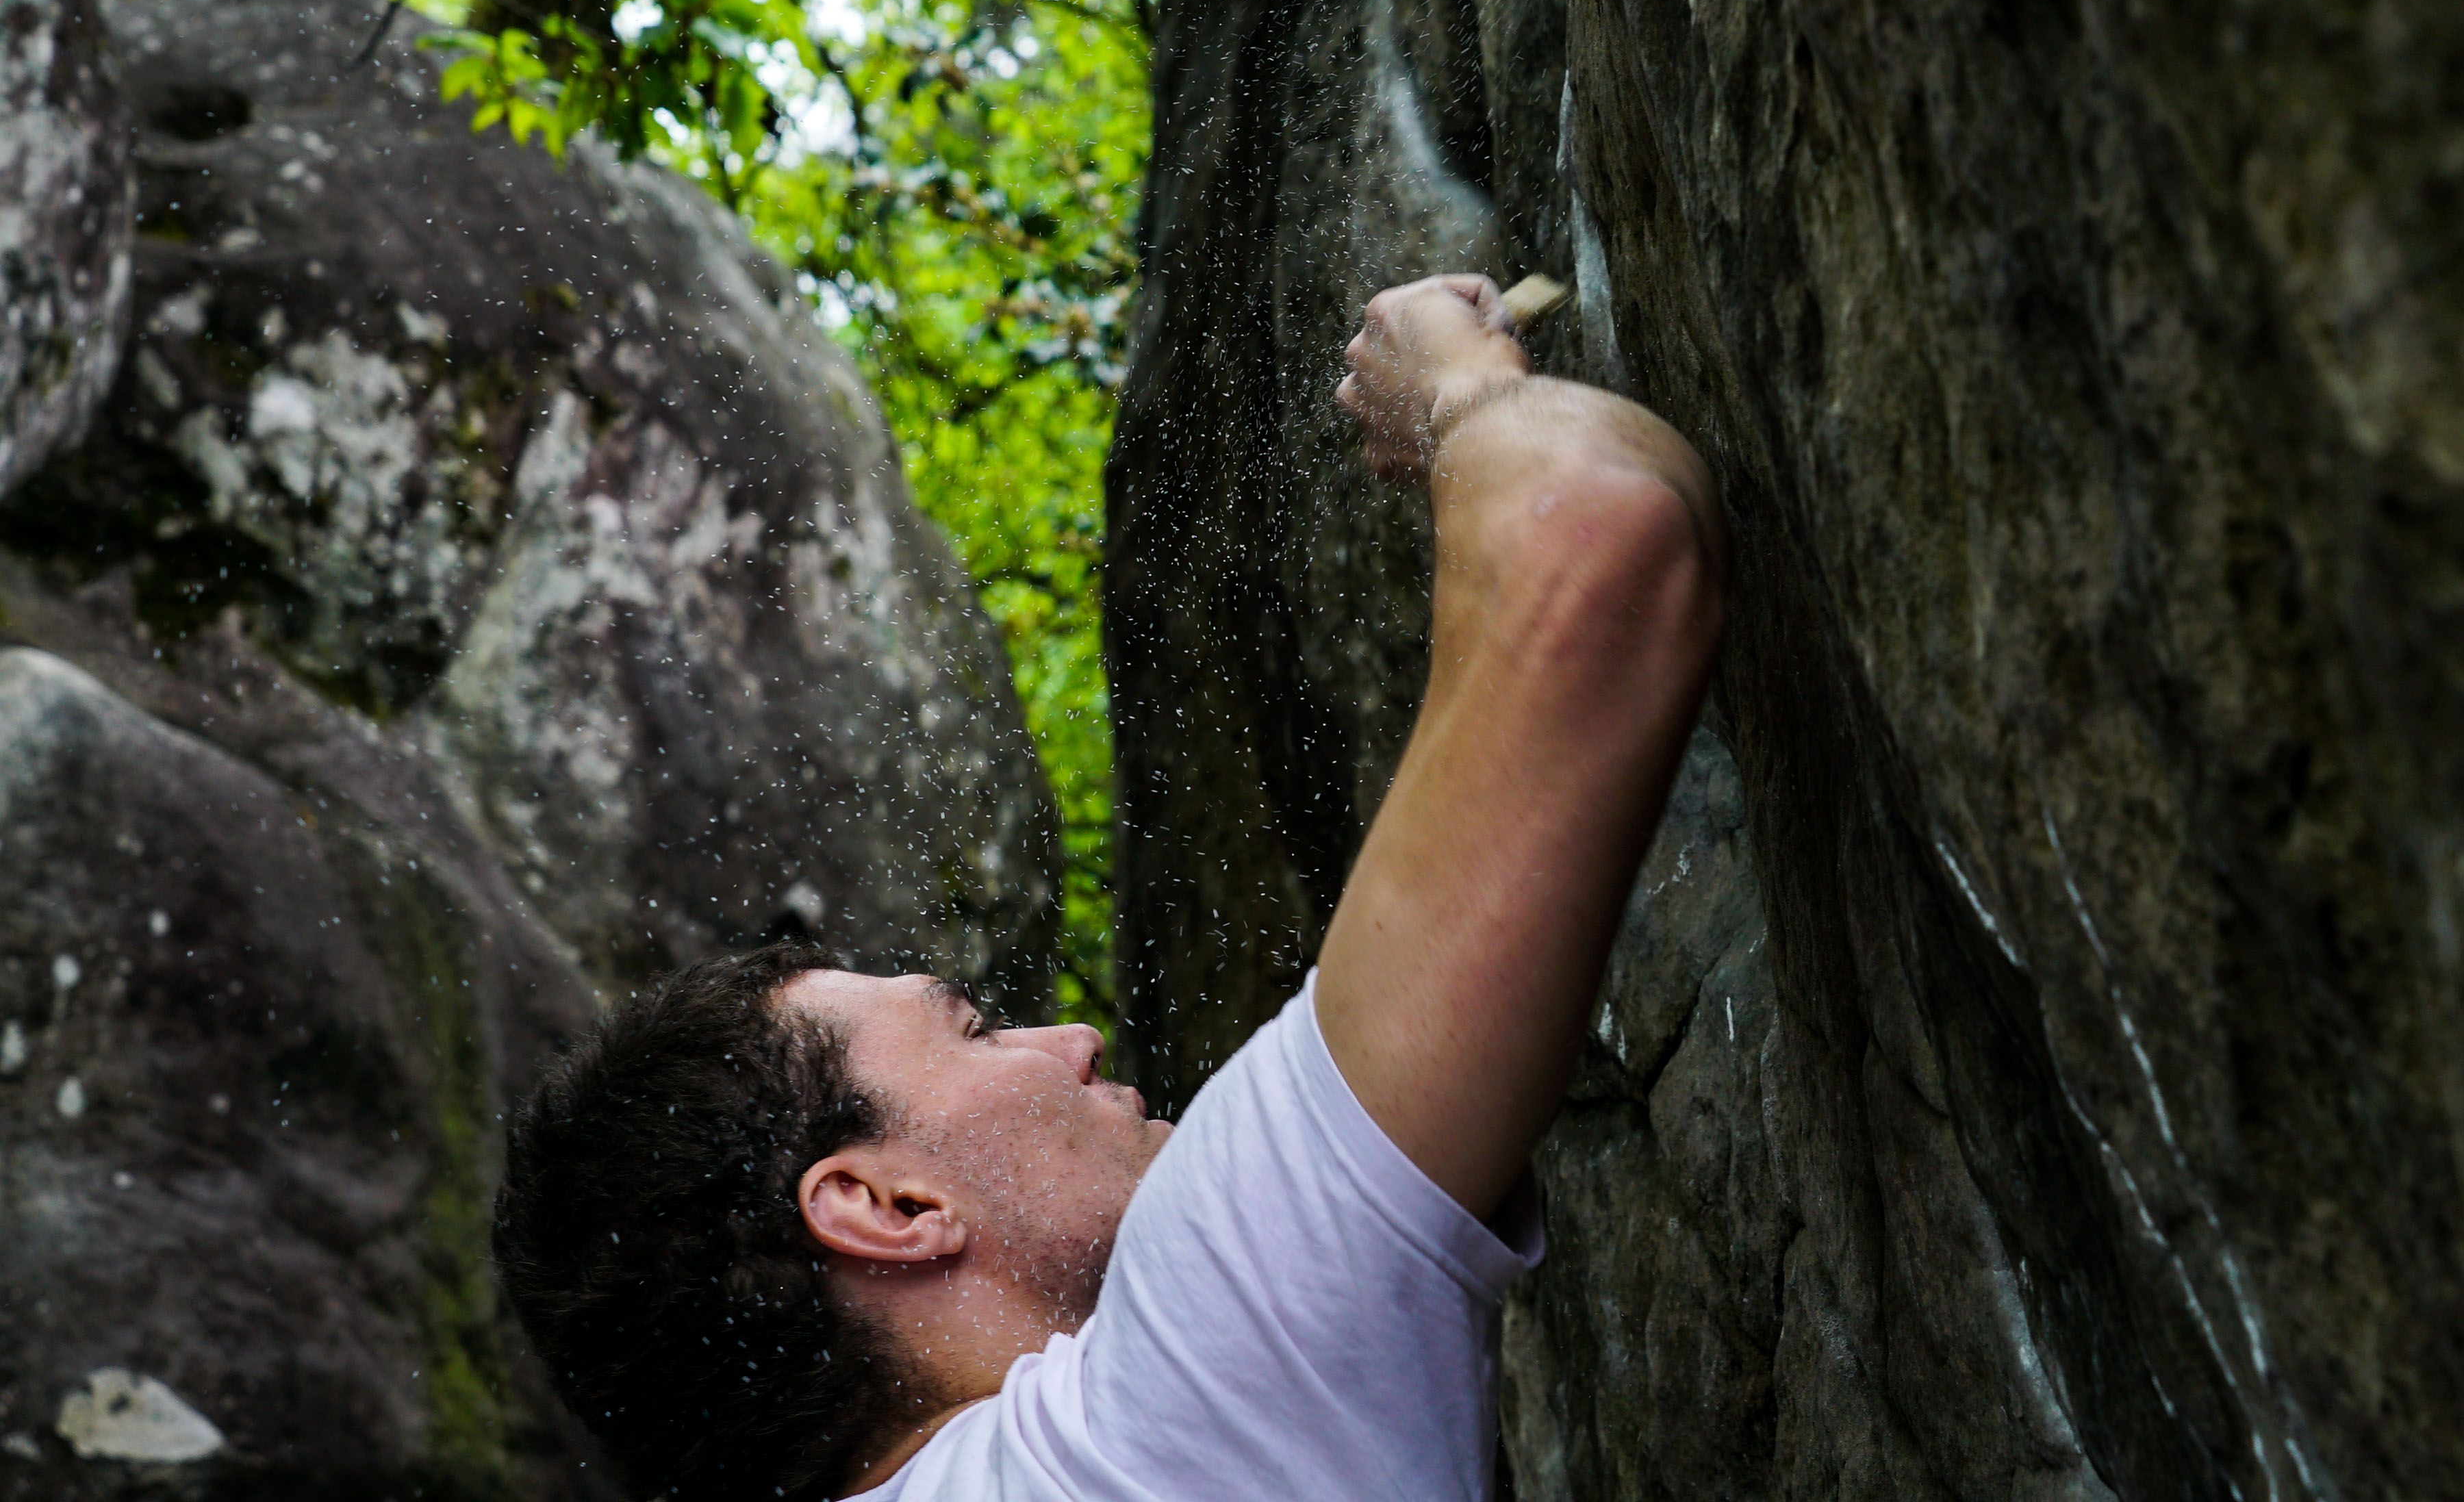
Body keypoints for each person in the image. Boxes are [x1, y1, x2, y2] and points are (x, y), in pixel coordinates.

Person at [493, 274, 1725, 1502]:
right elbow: (1593, 536)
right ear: (882, 1205)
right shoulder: (1150, 1427)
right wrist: (1451, 389)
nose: (1075, 1038)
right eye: (974, 1029)